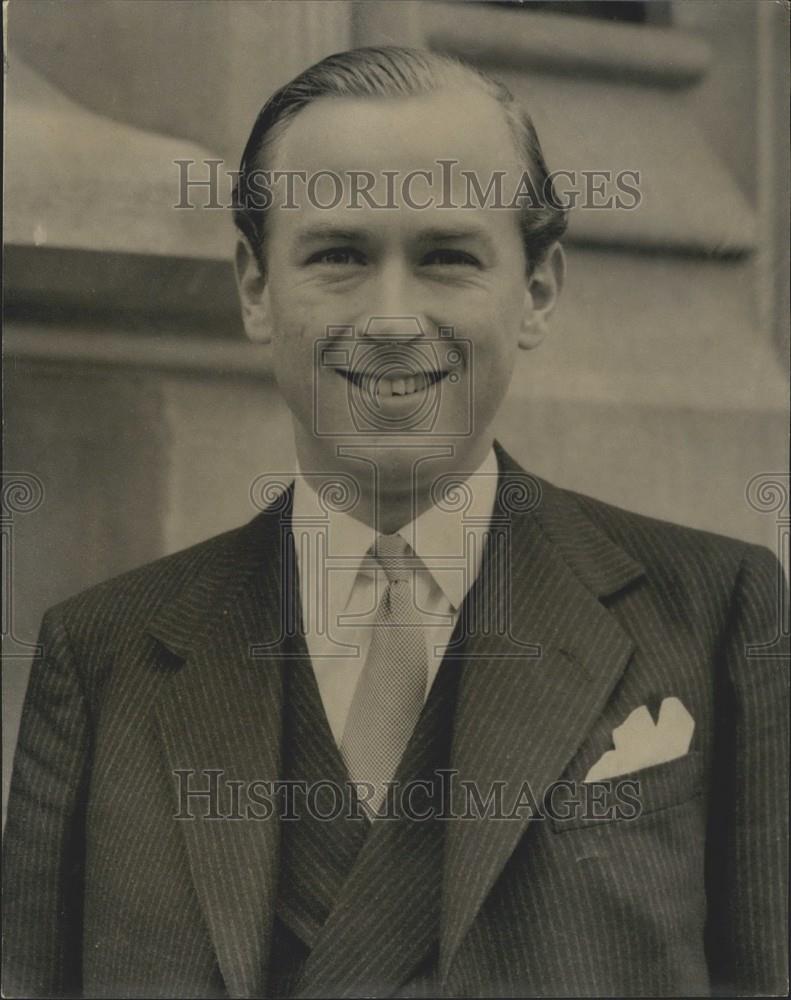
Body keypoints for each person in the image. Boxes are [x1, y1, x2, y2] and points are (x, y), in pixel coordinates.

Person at [3, 46, 788, 999]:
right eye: (337, 256)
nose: (389, 318)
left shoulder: (714, 617)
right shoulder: (102, 659)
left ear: (536, 290)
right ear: (256, 287)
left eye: (447, 258)